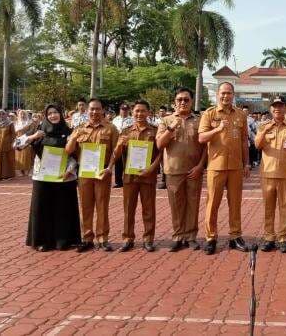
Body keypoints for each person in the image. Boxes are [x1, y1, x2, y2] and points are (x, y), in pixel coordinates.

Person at [198, 82, 250, 255]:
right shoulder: (209, 114)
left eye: (229, 93)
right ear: (217, 94)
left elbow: (244, 141)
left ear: (233, 94)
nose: (225, 96)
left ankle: (235, 236)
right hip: (216, 165)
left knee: (235, 203)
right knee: (212, 203)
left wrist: (247, 163)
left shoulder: (241, 115)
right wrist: (218, 129)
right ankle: (211, 237)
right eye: (223, 93)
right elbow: (202, 138)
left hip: (236, 166)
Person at [106, 100, 161, 252]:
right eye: (137, 111)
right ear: (132, 112)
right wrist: (119, 146)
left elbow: (161, 154)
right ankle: (127, 238)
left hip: (147, 176)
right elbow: (116, 154)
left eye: (143, 111)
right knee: (128, 209)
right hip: (129, 176)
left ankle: (148, 239)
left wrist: (152, 169)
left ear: (148, 113)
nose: (139, 114)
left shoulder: (155, 131)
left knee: (149, 209)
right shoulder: (125, 131)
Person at [66, 98, 119, 252]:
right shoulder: (79, 128)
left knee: (102, 205)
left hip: (103, 172)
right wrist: (74, 137)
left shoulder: (111, 129)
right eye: (92, 109)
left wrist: (110, 168)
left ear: (103, 110)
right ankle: (87, 238)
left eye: (98, 109)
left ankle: (103, 238)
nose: (95, 112)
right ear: (87, 110)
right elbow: (68, 151)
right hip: (85, 173)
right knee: (86, 206)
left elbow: (116, 152)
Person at [157, 88, 206, 251]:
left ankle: (191, 236)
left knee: (193, 203)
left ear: (191, 102)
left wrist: (201, 166)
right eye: (180, 100)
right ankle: (178, 236)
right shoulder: (166, 120)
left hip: (194, 170)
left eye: (186, 99)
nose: (183, 102)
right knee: (176, 205)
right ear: (174, 102)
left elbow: (207, 147)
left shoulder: (199, 121)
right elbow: (159, 144)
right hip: (173, 170)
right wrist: (171, 128)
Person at [26, 104, 81, 251]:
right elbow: (16, 145)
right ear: (46, 115)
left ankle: (63, 240)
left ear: (61, 114)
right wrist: (33, 136)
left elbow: (74, 155)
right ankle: (42, 241)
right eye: (49, 113)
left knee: (63, 208)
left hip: (64, 177)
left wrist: (70, 170)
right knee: (42, 208)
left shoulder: (69, 131)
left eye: (56, 112)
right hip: (42, 177)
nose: (53, 116)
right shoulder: (39, 129)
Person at [254, 96, 286, 253]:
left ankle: (283, 238)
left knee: (284, 207)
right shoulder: (263, 126)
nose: (277, 109)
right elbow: (257, 146)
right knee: (268, 207)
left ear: (285, 108)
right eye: (274, 106)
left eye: (280, 106)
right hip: (268, 173)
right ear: (270, 109)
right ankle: (269, 238)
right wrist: (265, 130)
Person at [112, 103, 134, 189]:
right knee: (118, 162)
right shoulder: (115, 120)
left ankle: (128, 179)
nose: (124, 111)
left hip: (127, 143)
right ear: (120, 110)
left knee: (128, 161)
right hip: (117, 142)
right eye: (122, 109)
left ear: (128, 110)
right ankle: (118, 181)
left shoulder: (132, 120)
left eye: (126, 110)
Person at [0, 110, 16, 180]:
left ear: (6, 115)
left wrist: (12, 142)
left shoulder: (10, 123)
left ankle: (7, 175)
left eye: (3, 114)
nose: (1, 115)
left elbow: (13, 134)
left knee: (6, 160)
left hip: (7, 145)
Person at [14, 109, 36, 176]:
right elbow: (14, 133)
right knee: (18, 155)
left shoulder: (30, 122)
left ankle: (27, 170)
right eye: (21, 114)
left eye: (24, 114)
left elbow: (32, 131)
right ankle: (19, 171)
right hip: (18, 140)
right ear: (19, 115)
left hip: (27, 140)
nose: (22, 115)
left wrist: (25, 137)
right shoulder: (16, 123)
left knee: (27, 155)